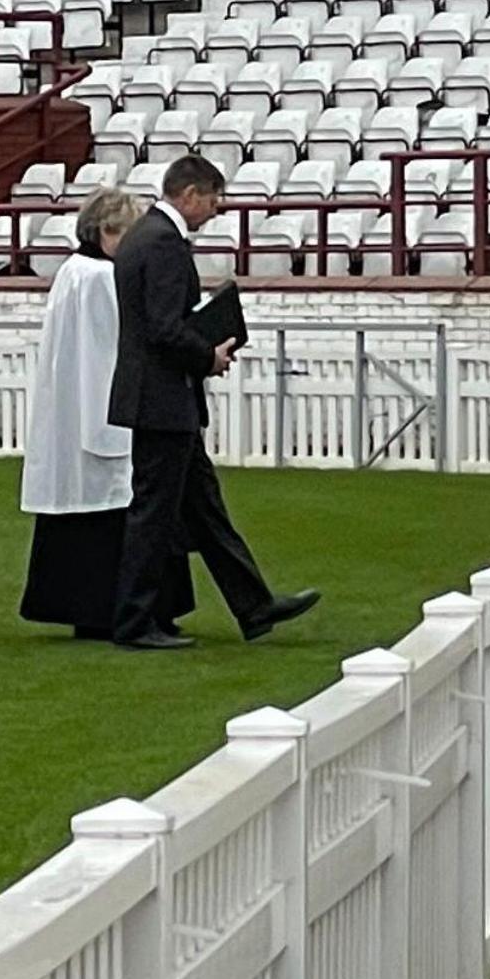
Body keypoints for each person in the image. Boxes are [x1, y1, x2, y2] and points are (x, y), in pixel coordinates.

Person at [105, 156, 321, 652]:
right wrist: (208, 355)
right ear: (190, 194)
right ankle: (134, 621)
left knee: (205, 510)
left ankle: (253, 604)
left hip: (160, 398)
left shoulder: (146, 236)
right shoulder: (161, 242)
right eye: (213, 198)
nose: (216, 209)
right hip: (161, 398)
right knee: (153, 514)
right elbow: (163, 325)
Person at [19, 185, 146, 639]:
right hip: (99, 406)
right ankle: (107, 609)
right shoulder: (99, 278)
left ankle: (86, 609)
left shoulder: (73, 271)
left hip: (72, 408)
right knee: (107, 509)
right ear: (109, 231)